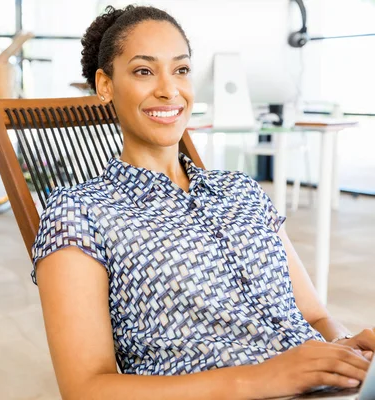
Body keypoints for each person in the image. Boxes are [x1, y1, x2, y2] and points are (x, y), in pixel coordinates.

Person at [30, 5, 374, 399]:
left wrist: (348, 351)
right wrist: (264, 377)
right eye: (144, 71)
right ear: (105, 85)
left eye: (181, 69)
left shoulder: (240, 190)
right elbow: (85, 389)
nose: (169, 89)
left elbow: (315, 316)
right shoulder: (80, 213)